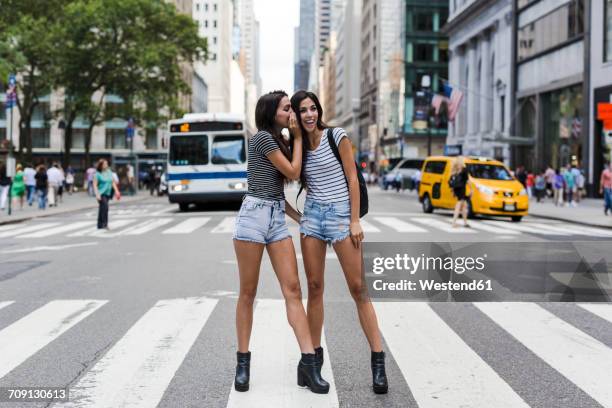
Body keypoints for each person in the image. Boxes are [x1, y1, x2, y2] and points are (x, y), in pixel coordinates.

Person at [289, 90, 388, 394]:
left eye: (313, 109)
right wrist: (301, 218)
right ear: (295, 115)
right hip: (313, 220)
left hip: (342, 217)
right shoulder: (298, 147)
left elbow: (352, 178)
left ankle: (378, 361)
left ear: (319, 111)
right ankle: (312, 362)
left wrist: (354, 220)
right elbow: (281, 179)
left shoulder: (337, 135)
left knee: (359, 289)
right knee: (315, 289)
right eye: (303, 110)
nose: (309, 115)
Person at [232, 90, 329, 394]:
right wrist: (299, 137)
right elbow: (292, 171)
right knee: (248, 292)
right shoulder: (262, 138)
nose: (293, 113)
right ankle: (243, 362)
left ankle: (310, 364)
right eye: (287, 108)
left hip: (274, 215)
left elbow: (276, 190)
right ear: (272, 112)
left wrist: (299, 217)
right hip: (252, 217)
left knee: (294, 290)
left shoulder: (281, 140)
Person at [93, 159, 120, 229]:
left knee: (102, 208)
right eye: (105, 164)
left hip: (108, 193)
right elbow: (95, 185)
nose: (107, 165)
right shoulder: (97, 174)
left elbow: (112, 182)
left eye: (107, 164)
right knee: (105, 207)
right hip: (101, 193)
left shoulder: (109, 172)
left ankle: (99, 225)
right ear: (101, 165)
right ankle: (105, 224)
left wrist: (116, 191)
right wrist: (97, 194)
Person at [450, 156, 470, 228]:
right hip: (461, 189)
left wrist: (452, 190)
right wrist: (471, 189)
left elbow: (451, 180)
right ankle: (453, 223)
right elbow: (468, 180)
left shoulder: (455, 169)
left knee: (464, 206)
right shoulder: (464, 169)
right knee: (458, 206)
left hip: (457, 189)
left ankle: (465, 222)